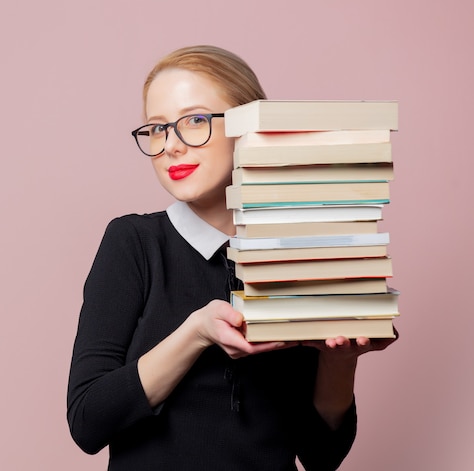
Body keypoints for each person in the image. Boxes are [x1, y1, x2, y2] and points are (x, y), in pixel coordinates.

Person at [67, 45, 397, 471]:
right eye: (157, 128)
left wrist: (341, 359)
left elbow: (321, 454)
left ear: (248, 125)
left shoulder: (303, 253)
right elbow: (88, 421)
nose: (172, 146)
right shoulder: (133, 242)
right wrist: (197, 333)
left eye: (195, 120)